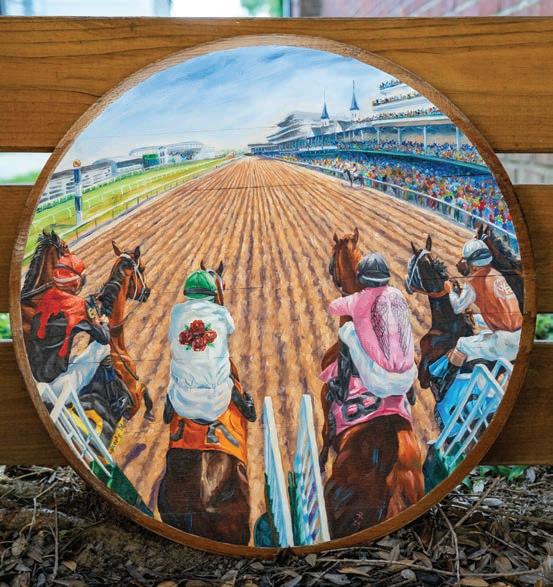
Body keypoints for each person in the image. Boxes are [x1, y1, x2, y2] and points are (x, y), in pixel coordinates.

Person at [164, 270, 255, 442]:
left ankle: (168, 408)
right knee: (228, 376)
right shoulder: (221, 312)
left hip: (181, 401)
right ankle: (247, 409)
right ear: (212, 293)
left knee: (176, 372)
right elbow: (231, 329)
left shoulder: (176, 312)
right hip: (217, 403)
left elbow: (171, 337)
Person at [437, 239, 523, 397]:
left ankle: (443, 386)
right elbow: (501, 313)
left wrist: (450, 291)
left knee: (461, 343)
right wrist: (476, 318)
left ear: (473, 264)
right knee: (482, 336)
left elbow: (457, 308)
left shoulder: (474, 280)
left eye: (466, 261)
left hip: (504, 341)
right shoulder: (496, 274)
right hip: (519, 336)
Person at [327, 253, 418, 401]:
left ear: (362, 278)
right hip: (408, 379)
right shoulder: (398, 294)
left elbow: (332, 307)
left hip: (379, 383)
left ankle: (342, 389)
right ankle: (411, 393)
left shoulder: (357, 300)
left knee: (347, 329)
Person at [27, 253, 111, 406]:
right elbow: (104, 337)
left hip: (32, 379)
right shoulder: (79, 305)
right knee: (103, 347)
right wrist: (103, 323)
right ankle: (109, 393)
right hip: (56, 388)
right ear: (77, 282)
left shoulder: (45, 297)